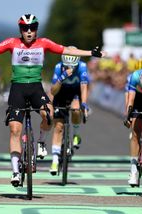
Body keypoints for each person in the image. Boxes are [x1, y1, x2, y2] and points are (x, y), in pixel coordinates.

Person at [0, 14, 106, 187]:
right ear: (20, 29)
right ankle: (15, 170)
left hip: (35, 87)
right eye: (25, 28)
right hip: (18, 88)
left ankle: (41, 141)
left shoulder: (44, 43)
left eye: (32, 28)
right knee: (15, 129)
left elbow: (68, 50)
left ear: (36, 29)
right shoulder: (11, 43)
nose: (29, 31)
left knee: (49, 114)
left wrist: (91, 53)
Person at [49, 47, 90, 175]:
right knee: (58, 127)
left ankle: (76, 134)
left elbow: (84, 87)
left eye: (73, 66)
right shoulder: (58, 67)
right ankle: (55, 160)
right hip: (61, 93)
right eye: (67, 66)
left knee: (76, 109)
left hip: (75, 92)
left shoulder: (82, 66)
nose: (70, 69)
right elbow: (53, 91)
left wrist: (84, 103)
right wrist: (61, 77)